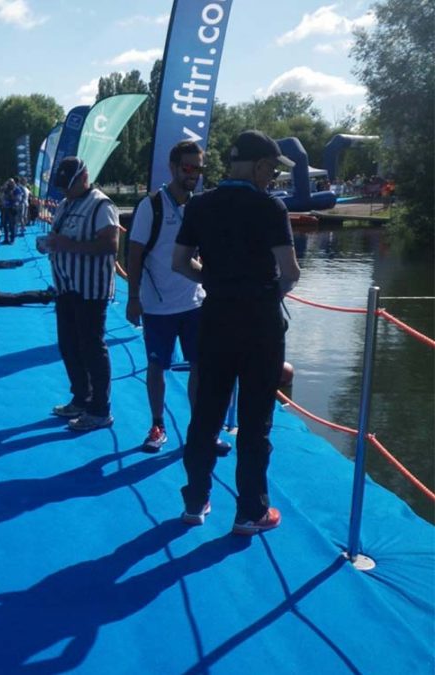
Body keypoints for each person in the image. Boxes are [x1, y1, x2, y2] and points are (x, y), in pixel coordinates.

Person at [171, 129, 301, 534]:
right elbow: (291, 272)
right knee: (254, 419)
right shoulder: (269, 208)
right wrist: (260, 292)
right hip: (260, 323)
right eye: (271, 170)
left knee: (206, 414)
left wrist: (216, 279)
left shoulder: (200, 205)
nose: (272, 178)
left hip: (215, 317)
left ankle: (195, 501)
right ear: (260, 165)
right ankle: (250, 510)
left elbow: (179, 263)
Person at [125, 140, 231, 456]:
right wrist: (133, 297)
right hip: (158, 304)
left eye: (199, 169)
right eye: (188, 168)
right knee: (158, 367)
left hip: (194, 303)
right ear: (173, 168)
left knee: (201, 366)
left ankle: (201, 430)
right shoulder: (151, 206)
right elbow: (133, 253)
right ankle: (157, 424)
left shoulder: (199, 206)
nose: (194, 174)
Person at [42, 156, 120, 431]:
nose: (64, 190)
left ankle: (100, 409)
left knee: (92, 347)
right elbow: (59, 237)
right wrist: (50, 244)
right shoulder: (65, 204)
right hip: (65, 287)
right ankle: (81, 397)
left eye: (68, 184)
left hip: (90, 290)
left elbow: (110, 245)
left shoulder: (101, 205)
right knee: (69, 345)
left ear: (84, 177)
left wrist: (68, 245)